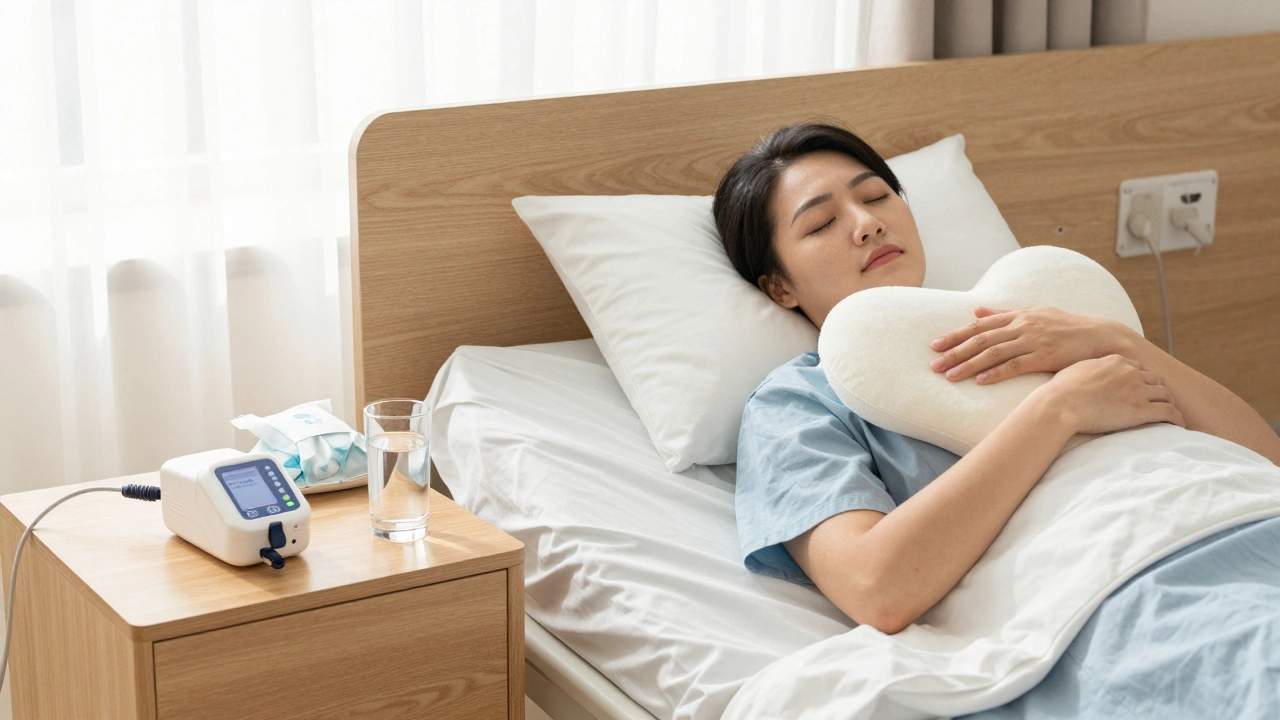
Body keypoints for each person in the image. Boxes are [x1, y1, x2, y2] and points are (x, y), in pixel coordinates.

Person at [713, 122, 1280, 636]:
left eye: (877, 196)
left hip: (1245, 517)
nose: (868, 224)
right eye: (821, 223)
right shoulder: (795, 405)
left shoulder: (1047, 314)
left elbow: (1266, 461)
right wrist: (1058, 409)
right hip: (1130, 582)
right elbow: (875, 588)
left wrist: (1117, 342)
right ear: (779, 287)